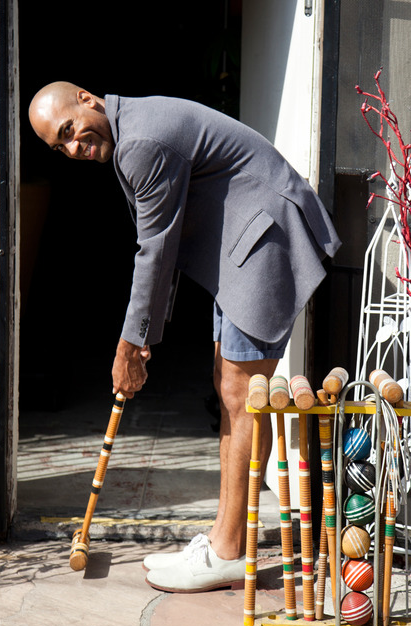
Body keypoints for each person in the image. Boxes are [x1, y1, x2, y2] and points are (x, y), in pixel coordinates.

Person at [29, 82, 341, 593]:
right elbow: (165, 246)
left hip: (265, 240)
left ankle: (226, 551)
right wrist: (145, 340)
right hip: (240, 247)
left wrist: (131, 347)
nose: (73, 148)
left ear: (87, 99)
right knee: (229, 389)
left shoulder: (141, 142)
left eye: (69, 132)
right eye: (59, 147)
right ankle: (224, 538)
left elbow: (154, 250)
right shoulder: (134, 130)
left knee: (244, 397)